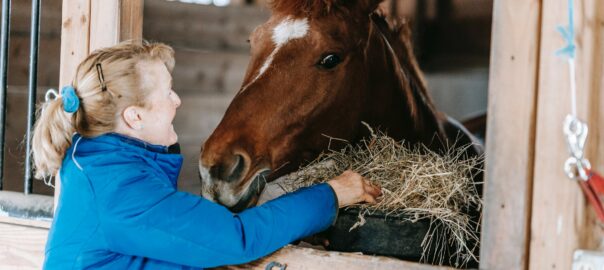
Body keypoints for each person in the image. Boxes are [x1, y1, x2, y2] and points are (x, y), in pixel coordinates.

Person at [33, 41, 381, 269]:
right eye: (167, 92)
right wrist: (331, 195)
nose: (177, 100)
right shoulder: (118, 189)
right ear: (134, 117)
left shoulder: (96, 161)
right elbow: (237, 239)